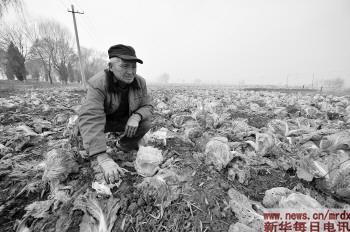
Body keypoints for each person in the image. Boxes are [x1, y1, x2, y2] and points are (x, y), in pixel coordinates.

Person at [78, 44, 153, 184]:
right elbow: (91, 118)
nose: (131, 71)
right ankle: (93, 148)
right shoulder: (98, 83)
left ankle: (123, 145)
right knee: (81, 132)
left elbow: (147, 106)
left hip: (123, 121)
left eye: (133, 67)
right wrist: (103, 158)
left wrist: (136, 116)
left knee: (146, 123)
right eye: (124, 66)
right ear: (111, 67)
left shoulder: (140, 82)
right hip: (104, 121)